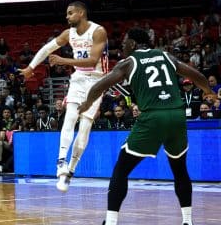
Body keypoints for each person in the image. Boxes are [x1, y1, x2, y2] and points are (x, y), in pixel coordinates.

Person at [78, 28, 216, 225]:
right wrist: (209, 92)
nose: (122, 46)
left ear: (133, 44)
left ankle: (110, 222)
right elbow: (197, 75)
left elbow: (99, 86)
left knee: (121, 170)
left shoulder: (129, 63)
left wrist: (86, 104)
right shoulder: (166, 56)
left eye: (125, 42)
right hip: (177, 116)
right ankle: (187, 221)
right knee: (180, 170)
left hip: (153, 117)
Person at [19, 1, 108, 192]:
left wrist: (63, 60)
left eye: (70, 13)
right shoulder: (68, 33)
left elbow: (93, 61)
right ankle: (61, 163)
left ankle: (71, 171)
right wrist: (31, 67)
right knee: (70, 117)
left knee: (84, 128)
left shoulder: (98, 31)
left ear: (81, 13)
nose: (66, 17)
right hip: (78, 79)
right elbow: (46, 49)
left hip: (97, 81)